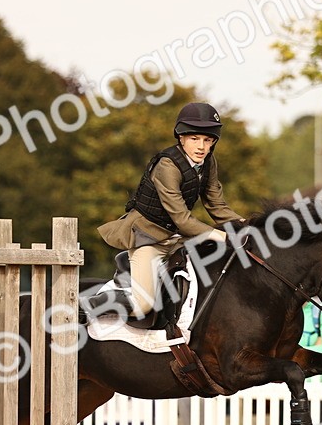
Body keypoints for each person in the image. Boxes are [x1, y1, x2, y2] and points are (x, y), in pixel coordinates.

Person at [90, 102, 244, 318]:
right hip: (148, 239)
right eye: (195, 139)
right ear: (181, 138)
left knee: (218, 258)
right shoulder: (167, 166)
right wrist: (224, 236)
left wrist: (247, 226)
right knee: (143, 306)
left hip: (177, 239)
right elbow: (182, 219)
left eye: (208, 140)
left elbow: (216, 205)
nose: (201, 147)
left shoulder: (208, 162)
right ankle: (88, 305)